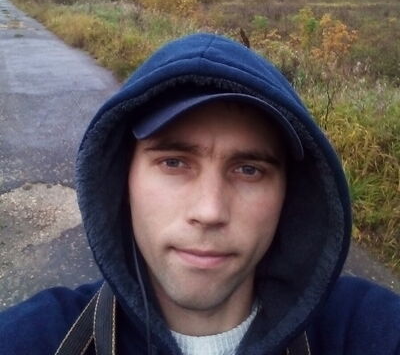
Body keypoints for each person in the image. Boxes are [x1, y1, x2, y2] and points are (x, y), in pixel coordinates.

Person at [0, 32, 399, 355]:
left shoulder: (364, 328)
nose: (209, 211)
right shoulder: (40, 337)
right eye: (174, 162)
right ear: (124, 179)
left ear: (288, 195)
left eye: (249, 170)